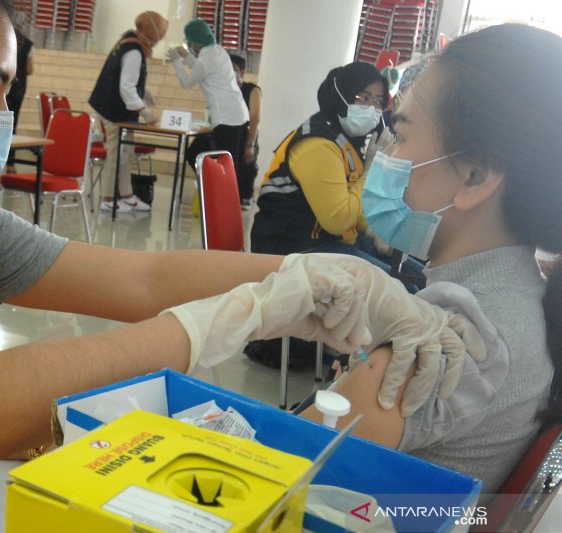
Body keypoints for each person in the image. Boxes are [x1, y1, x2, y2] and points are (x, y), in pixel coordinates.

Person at [0, 0, 483, 520]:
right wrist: (231, 320)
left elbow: (141, 276)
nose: (1, 120)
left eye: (7, 95)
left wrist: (319, 279)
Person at [300, 23, 562, 497]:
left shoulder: (457, 335)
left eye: (399, 134)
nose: (386, 153)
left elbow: (271, 479)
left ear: (475, 178)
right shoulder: (514, 295)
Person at [245, 62, 400, 370]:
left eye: (377, 102)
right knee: (392, 289)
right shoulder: (318, 142)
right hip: (290, 246)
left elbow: (356, 210)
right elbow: (339, 218)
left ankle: (354, 356)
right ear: (340, 96)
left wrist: (385, 234)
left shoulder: (345, 140)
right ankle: (360, 367)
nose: (370, 109)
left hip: (321, 240)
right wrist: (372, 170)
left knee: (399, 272)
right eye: (362, 97)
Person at [89, 11, 167, 213]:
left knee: (126, 151)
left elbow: (124, 79)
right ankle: (107, 198)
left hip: (114, 107)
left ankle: (127, 195)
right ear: (152, 33)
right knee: (116, 153)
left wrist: (145, 93)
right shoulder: (134, 51)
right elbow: (125, 87)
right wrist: (144, 111)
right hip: (113, 110)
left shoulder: (128, 40)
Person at [166, 19, 249, 184]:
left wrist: (176, 61)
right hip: (238, 114)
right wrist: (186, 55)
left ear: (195, 42)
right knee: (231, 164)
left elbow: (187, 82)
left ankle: (217, 194)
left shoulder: (205, 60)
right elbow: (202, 68)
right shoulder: (218, 51)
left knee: (222, 165)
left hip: (226, 118)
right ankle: (220, 194)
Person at [229, 54, 261, 210]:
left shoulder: (252, 90)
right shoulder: (226, 89)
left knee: (246, 161)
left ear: (242, 72)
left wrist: (250, 144)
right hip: (229, 133)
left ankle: (246, 195)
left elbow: (255, 118)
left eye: (233, 69)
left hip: (246, 135)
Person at [4, 20, 34, 174]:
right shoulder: (28, 44)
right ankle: (10, 164)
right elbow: (30, 69)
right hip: (18, 88)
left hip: (2, 86)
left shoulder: (3, 37)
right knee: (12, 125)